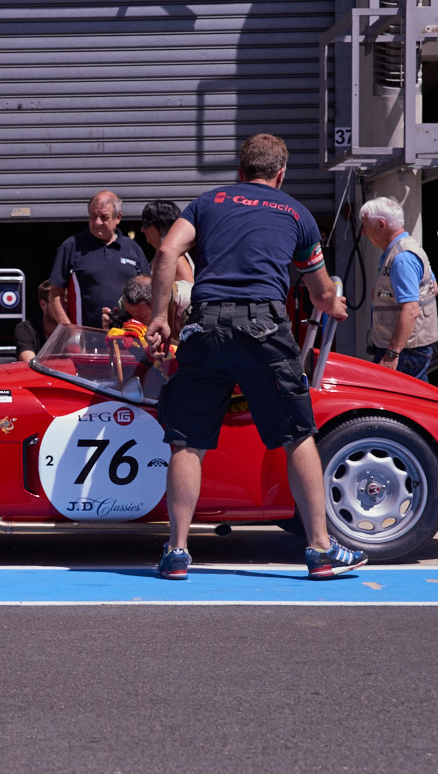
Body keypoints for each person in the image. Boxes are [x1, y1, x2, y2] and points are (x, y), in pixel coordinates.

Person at [145, 133, 369, 580]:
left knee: (187, 441)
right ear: (280, 174)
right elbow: (321, 292)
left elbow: (167, 250)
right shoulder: (297, 214)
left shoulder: (207, 202)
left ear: (240, 170)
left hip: (204, 326)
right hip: (263, 327)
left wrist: (158, 316)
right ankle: (320, 550)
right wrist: (334, 304)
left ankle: (177, 552)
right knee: (297, 436)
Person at [360, 196, 438, 380]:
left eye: (365, 226)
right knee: (413, 397)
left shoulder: (402, 258)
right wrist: (385, 294)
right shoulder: (407, 248)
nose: (363, 232)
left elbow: (411, 309)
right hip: (408, 348)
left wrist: (392, 354)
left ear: (381, 225)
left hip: (403, 350)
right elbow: (432, 288)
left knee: (387, 396)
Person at [47, 190, 151, 327]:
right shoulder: (72, 246)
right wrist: (68, 329)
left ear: (118, 218)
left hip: (128, 335)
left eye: (104, 217)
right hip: (85, 336)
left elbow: (149, 292)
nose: (97, 222)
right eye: (93, 216)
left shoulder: (133, 248)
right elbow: (55, 293)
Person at [140, 199, 194, 320]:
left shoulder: (177, 259)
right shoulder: (161, 256)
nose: (142, 230)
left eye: (146, 224)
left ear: (162, 226)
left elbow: (188, 298)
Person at [14, 282, 58, 362]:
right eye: (59, 303)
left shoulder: (75, 328)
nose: (64, 308)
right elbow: (29, 363)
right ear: (43, 304)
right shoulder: (26, 328)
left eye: (66, 303)